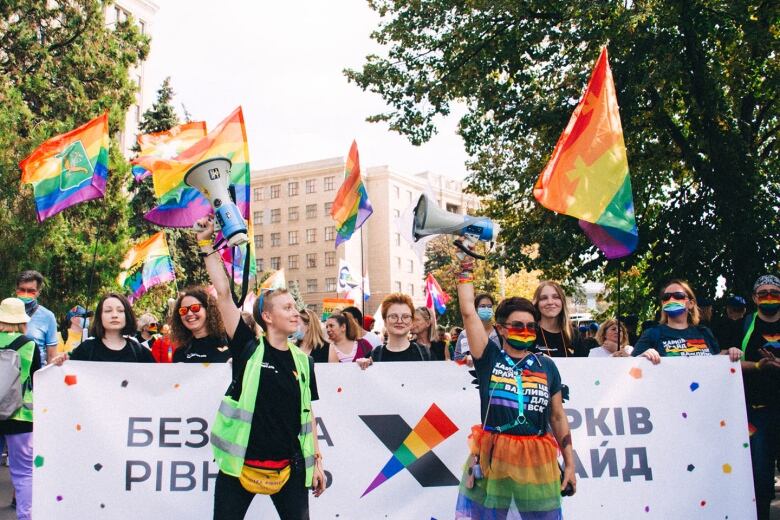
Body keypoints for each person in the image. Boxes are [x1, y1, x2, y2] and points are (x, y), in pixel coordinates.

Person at [197, 216, 326, 519]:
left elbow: (309, 415)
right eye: (287, 308)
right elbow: (224, 294)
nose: (296, 313)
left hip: (289, 467)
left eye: (295, 307)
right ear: (267, 317)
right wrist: (206, 244)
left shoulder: (304, 362)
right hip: (239, 463)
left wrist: (317, 463)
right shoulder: (248, 347)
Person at [453, 245, 575, 518]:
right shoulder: (488, 357)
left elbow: (557, 416)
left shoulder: (547, 366)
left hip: (538, 459)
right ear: (500, 329)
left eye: (531, 326)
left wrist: (569, 464)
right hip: (492, 457)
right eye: (517, 325)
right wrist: (465, 267)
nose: (526, 331)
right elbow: (469, 312)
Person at [738, 275, 780, 520]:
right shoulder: (743, 326)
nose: (768, 297)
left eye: (774, 292)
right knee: (760, 476)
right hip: (756, 412)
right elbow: (731, 363)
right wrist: (757, 366)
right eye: (763, 293)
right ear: (754, 298)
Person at [0, 298, 42, 520]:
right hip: (21, 415)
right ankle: (25, 517)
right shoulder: (30, 344)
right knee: (24, 473)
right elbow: (36, 380)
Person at [631, 280, 740, 364]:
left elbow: (717, 364)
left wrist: (730, 353)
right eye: (666, 297)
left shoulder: (704, 332)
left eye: (678, 296)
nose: (671, 300)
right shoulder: (652, 334)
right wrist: (642, 358)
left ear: (691, 303)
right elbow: (630, 371)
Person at [65, 293, 155, 363]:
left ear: (127, 315)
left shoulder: (140, 352)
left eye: (120, 311)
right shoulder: (86, 349)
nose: (114, 315)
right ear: (100, 316)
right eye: (108, 311)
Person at [358, 294, 429, 368]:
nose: (399, 321)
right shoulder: (374, 356)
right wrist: (359, 369)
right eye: (393, 316)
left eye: (405, 316)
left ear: (411, 321)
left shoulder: (425, 354)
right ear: (385, 321)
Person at [170, 287, 230, 363]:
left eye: (195, 308)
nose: (189, 313)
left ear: (208, 309)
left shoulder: (229, 344)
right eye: (183, 310)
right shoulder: (180, 353)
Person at [533, 281, 586, 357]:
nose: (550, 302)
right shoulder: (530, 333)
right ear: (537, 303)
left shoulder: (574, 335)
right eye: (544, 298)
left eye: (556, 297)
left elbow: (583, 365)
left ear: (562, 302)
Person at [15, 270, 57, 365]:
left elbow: (52, 355)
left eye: (30, 291)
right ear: (16, 290)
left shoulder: (48, 317)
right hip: (8, 374)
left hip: (36, 374)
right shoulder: (5, 312)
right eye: (22, 290)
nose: (25, 294)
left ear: (38, 292)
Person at [453, 294, 499, 366]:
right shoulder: (465, 334)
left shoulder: (500, 333)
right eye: (483, 306)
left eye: (489, 306)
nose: (486, 309)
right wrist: (466, 360)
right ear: (475, 309)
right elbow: (457, 360)